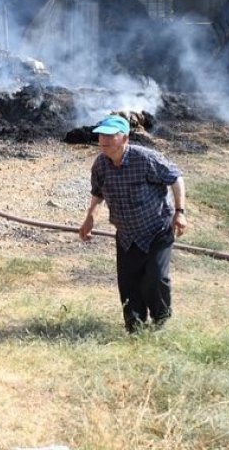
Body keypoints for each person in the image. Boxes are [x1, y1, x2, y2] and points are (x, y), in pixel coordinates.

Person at [79, 114, 187, 332]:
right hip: (127, 234)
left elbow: (176, 178)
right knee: (128, 284)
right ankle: (135, 328)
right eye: (101, 136)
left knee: (156, 278)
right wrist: (90, 217)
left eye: (110, 136)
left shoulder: (146, 159)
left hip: (157, 229)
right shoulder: (100, 165)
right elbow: (98, 193)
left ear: (125, 138)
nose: (104, 140)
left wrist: (180, 212)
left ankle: (160, 322)